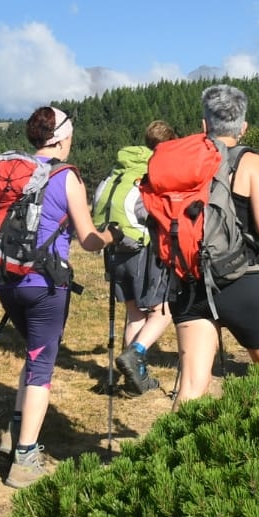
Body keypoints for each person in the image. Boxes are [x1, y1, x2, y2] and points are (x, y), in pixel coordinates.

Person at [163, 84, 259, 401]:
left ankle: (177, 435)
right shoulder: (250, 162)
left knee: (191, 388)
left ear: (204, 125)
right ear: (243, 127)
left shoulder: (182, 161)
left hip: (188, 281)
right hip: (238, 280)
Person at [0, 105, 123, 489]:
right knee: (41, 367)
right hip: (44, 284)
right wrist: (113, 234)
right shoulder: (66, 177)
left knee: (33, 354)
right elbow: (89, 240)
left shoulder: (13, 170)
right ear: (62, 138)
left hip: (6, 278)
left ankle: (13, 434)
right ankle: (24, 459)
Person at [92, 119, 176, 394]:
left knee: (135, 313)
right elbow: (152, 212)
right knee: (163, 310)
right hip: (141, 249)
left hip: (114, 248)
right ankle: (136, 354)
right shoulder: (151, 171)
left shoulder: (122, 168)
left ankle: (135, 378)